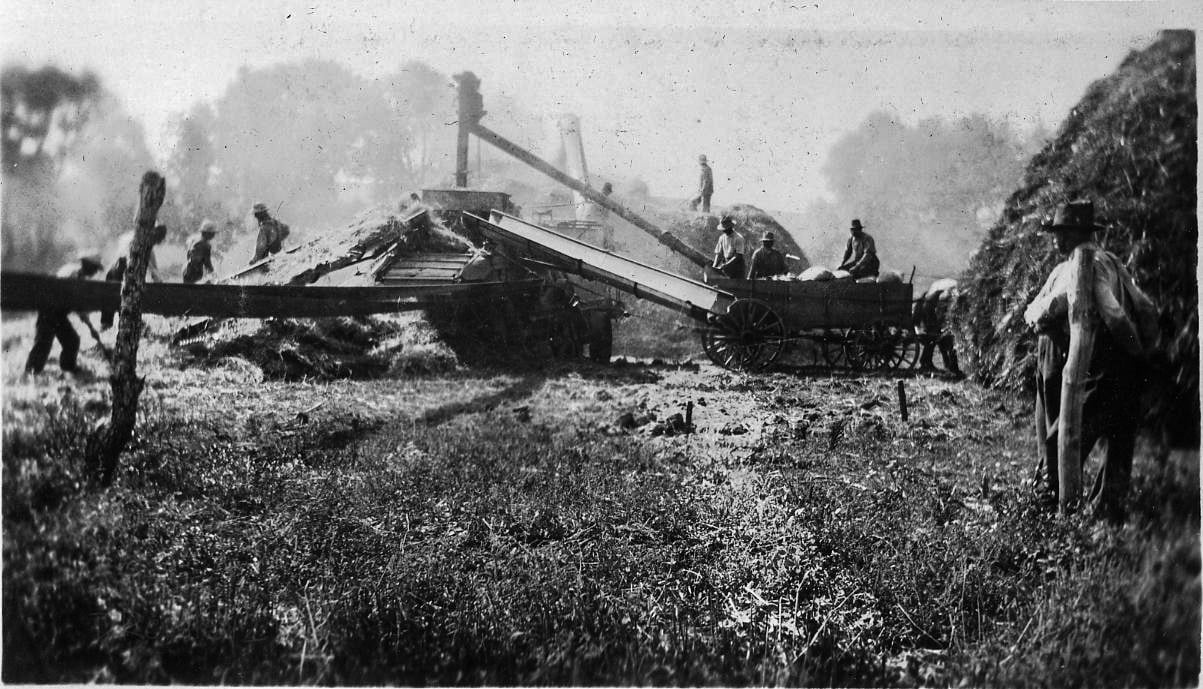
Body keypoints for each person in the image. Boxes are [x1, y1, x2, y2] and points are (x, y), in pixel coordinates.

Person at [1023, 200, 1158, 523]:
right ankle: (1107, 513)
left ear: (1071, 235)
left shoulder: (1083, 264)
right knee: (1120, 439)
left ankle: (1056, 507)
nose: (1055, 240)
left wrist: (1134, 350)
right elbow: (1146, 307)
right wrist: (1147, 351)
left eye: (1059, 233)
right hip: (1124, 362)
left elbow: (1112, 314)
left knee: (1064, 436)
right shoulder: (1113, 261)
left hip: (1103, 360)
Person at [25, 252, 105, 374]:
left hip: (58, 314)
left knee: (72, 341)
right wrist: (89, 325)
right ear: (88, 265)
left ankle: (68, 369)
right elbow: (71, 300)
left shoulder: (76, 274)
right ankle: (30, 374)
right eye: (95, 268)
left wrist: (89, 325)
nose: (95, 273)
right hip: (49, 311)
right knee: (43, 343)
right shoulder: (74, 275)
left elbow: (76, 304)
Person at [101, 223, 167, 329]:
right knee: (112, 303)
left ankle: (130, 325)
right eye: (157, 237)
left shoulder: (148, 246)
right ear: (152, 234)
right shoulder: (136, 242)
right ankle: (108, 328)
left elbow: (154, 269)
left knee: (125, 304)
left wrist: (160, 284)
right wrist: (156, 276)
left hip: (123, 273)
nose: (157, 241)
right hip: (116, 272)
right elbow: (149, 266)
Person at [912, 278, 964, 378]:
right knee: (940, 338)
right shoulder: (948, 297)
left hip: (934, 317)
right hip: (936, 318)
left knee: (935, 338)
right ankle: (950, 366)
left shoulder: (938, 295)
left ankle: (930, 362)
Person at [183, 219, 218, 284]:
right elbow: (207, 262)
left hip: (187, 269)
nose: (213, 235)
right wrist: (213, 273)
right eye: (212, 233)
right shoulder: (206, 245)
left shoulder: (194, 240)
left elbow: (189, 255)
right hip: (194, 271)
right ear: (207, 233)